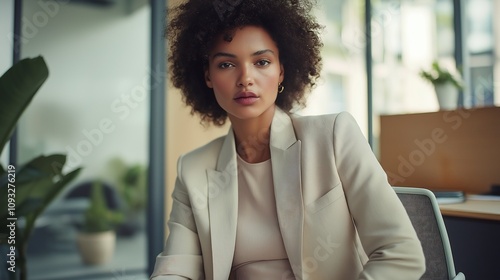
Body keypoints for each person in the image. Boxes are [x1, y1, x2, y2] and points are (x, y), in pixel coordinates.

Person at [151, 0, 425, 279]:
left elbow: (401, 252)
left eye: (262, 62)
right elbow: (177, 268)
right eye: (226, 64)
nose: (245, 78)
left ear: (282, 69)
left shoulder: (333, 137)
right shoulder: (193, 168)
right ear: (208, 76)